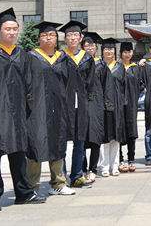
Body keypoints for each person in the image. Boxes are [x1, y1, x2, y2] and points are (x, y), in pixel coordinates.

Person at [0, 8, 44, 210]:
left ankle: (23, 193)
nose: (12, 32)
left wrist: (30, 108)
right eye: (7, 29)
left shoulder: (22, 55)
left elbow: (30, 83)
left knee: (19, 154)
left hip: (18, 112)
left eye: (15, 29)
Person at [24, 21, 75, 196]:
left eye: (51, 35)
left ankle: (58, 184)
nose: (48, 38)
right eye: (44, 35)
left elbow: (69, 83)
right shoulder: (31, 57)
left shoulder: (63, 58)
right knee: (35, 145)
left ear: (56, 38)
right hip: (37, 109)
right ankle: (32, 186)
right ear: (39, 38)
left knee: (58, 144)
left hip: (59, 108)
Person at [59, 20, 94, 188]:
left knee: (79, 141)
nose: (72, 38)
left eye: (75, 35)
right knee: (62, 142)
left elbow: (90, 83)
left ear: (80, 38)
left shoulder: (87, 58)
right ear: (65, 38)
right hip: (63, 105)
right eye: (69, 35)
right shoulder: (60, 57)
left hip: (81, 104)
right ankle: (62, 176)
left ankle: (77, 175)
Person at [97, 39, 125, 177]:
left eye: (111, 49)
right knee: (105, 138)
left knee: (116, 138)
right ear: (102, 51)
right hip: (102, 106)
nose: (109, 51)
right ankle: (104, 166)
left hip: (117, 106)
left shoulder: (120, 67)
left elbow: (124, 86)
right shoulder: (98, 66)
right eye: (106, 49)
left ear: (115, 51)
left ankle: (115, 166)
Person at [80, 31, 105, 183]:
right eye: (86, 45)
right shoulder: (79, 63)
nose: (89, 47)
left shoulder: (101, 65)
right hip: (82, 105)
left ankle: (93, 169)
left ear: (96, 47)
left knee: (95, 138)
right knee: (81, 139)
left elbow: (107, 87)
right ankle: (82, 169)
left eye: (92, 45)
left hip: (97, 104)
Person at [119, 42, 140, 172]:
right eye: (125, 52)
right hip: (119, 105)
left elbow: (141, 84)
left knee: (131, 131)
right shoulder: (117, 67)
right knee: (119, 130)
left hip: (132, 104)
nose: (127, 54)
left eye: (129, 52)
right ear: (121, 53)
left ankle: (131, 158)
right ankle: (120, 159)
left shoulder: (136, 68)